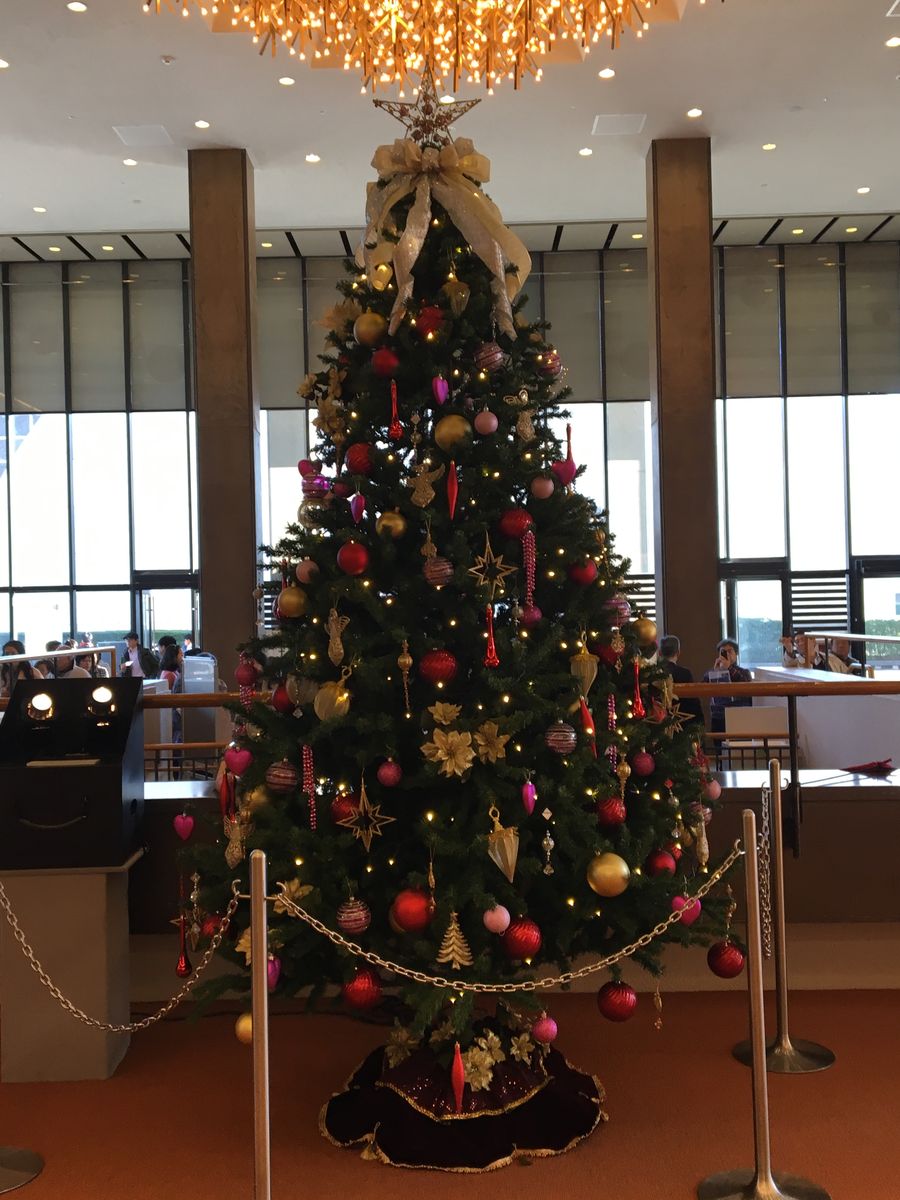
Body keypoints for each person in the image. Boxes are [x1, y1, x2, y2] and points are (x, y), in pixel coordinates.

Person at [702, 638, 752, 733]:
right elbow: (703, 685)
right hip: (718, 716)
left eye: (730, 651)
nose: (727, 654)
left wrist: (728, 667)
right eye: (723, 652)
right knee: (718, 740)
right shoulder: (713, 671)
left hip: (739, 715)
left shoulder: (744, 672)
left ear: (736, 654)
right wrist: (715, 671)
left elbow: (745, 683)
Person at [658, 635, 703, 726]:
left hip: (656, 723)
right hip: (682, 724)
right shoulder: (684, 673)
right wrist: (700, 723)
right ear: (678, 653)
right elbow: (693, 703)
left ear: (659, 653)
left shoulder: (653, 674)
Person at [158, 643, 184, 744]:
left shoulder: (173, 672)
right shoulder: (169, 675)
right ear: (174, 657)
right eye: (180, 654)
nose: (182, 657)